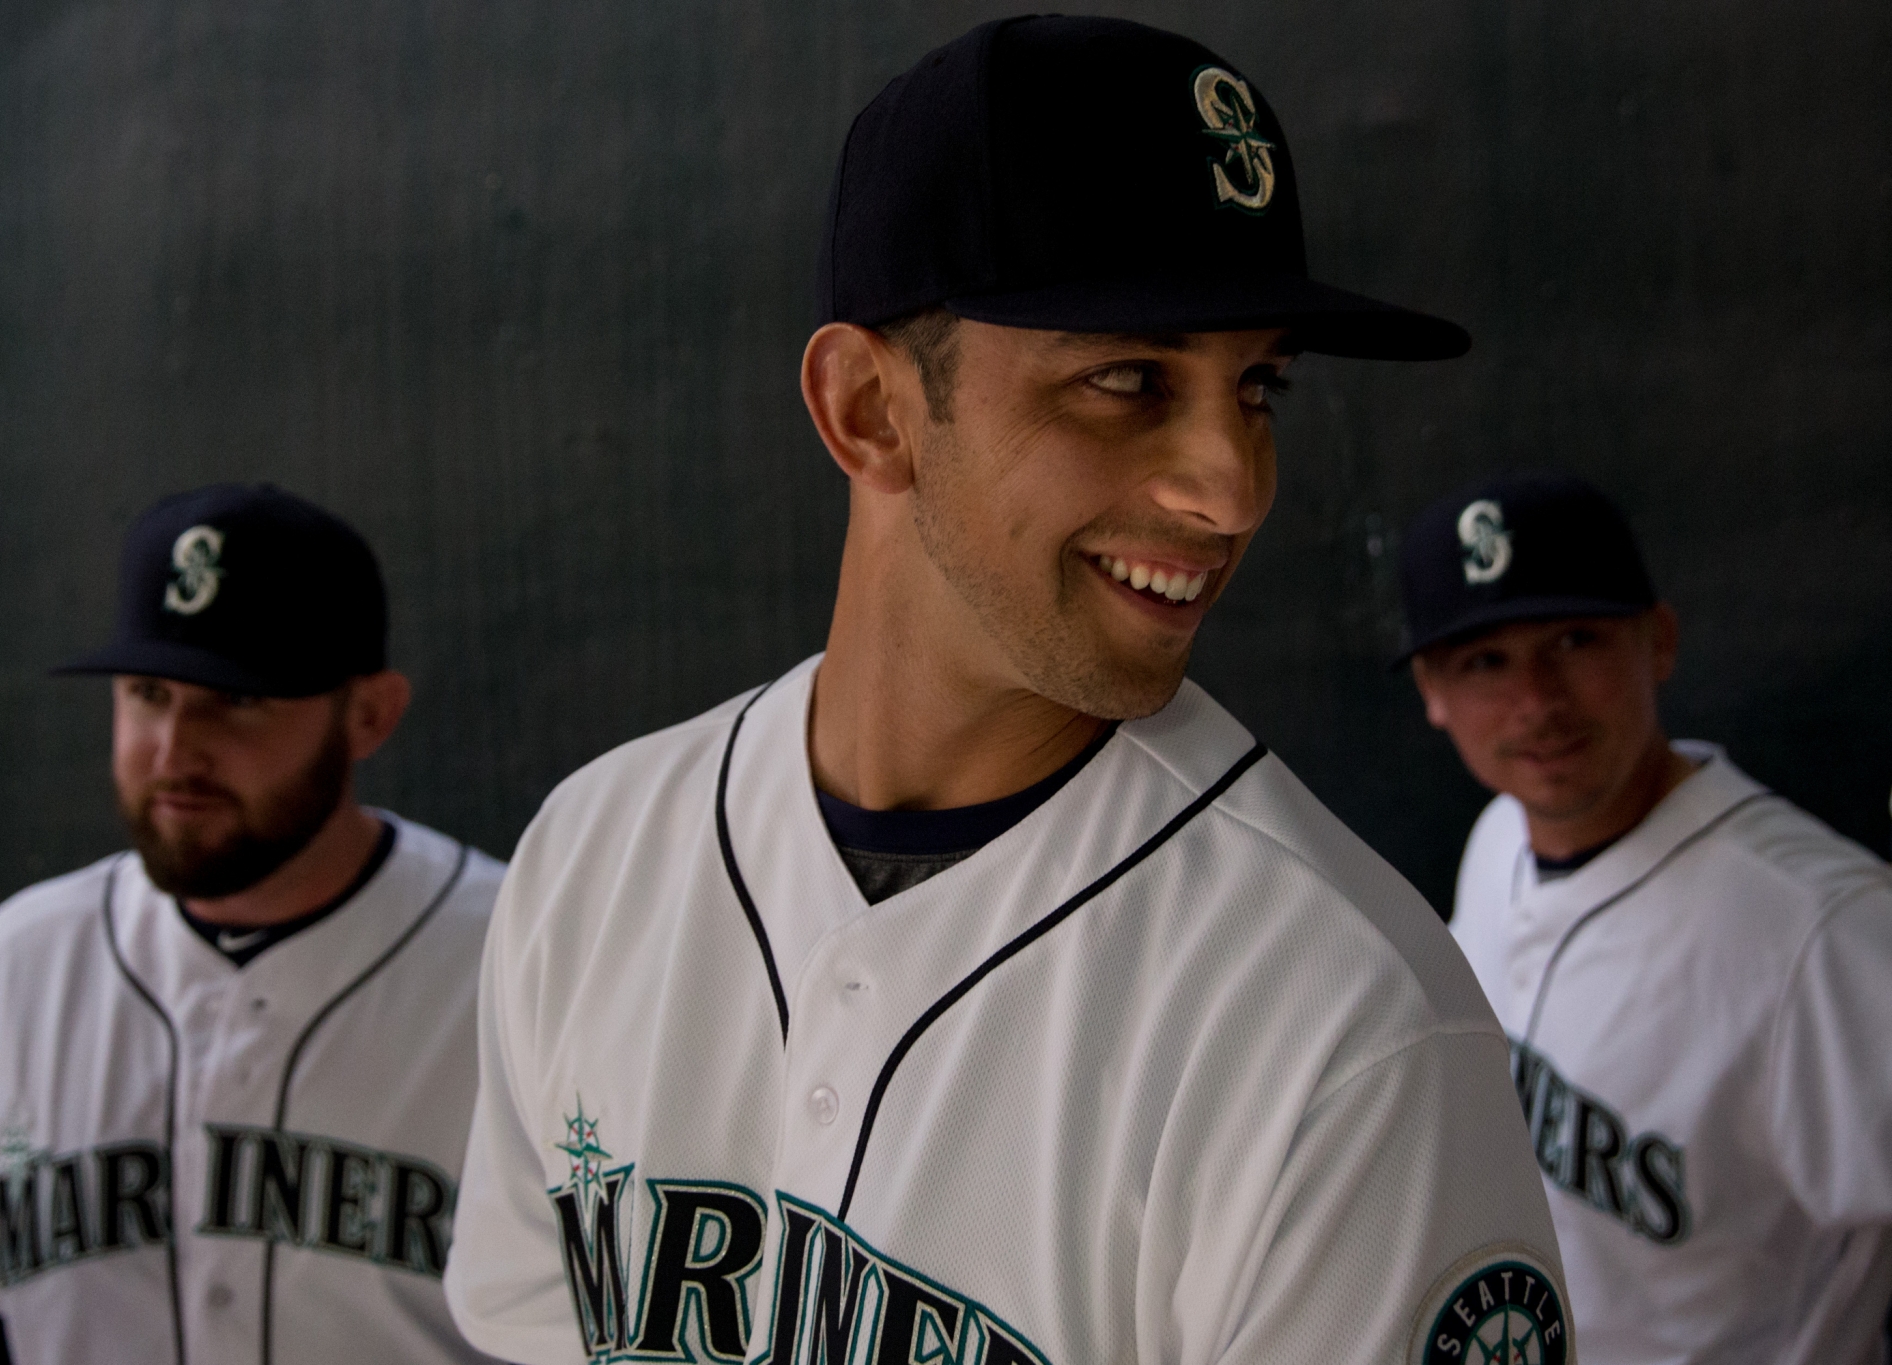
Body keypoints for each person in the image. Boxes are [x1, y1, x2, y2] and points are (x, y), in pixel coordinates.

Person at [444, 18, 1566, 1365]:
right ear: (868, 408)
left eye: (1256, 386)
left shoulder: (1343, 1017)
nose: (1231, 484)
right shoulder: (591, 858)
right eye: (1128, 380)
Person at [0, 484, 507, 1365]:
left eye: (236, 701)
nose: (174, 750)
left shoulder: (511, 957)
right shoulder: (22, 961)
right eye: (149, 691)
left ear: (369, 714)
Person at [1402, 470, 1892, 1364]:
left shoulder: (1824, 931)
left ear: (1657, 640)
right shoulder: (1499, 835)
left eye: (1575, 639)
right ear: (1433, 691)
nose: (1537, 700)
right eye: (1486, 661)